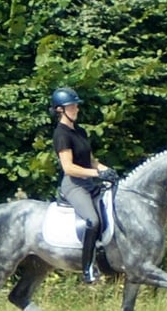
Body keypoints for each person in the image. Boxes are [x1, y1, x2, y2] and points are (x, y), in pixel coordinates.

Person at [50, 87, 118, 283]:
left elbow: (91, 161)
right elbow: (69, 168)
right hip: (74, 185)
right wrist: (97, 173)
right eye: (72, 106)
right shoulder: (61, 134)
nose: (77, 109)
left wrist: (108, 170)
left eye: (76, 105)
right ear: (60, 110)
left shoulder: (79, 131)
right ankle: (87, 268)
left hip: (88, 182)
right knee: (92, 220)